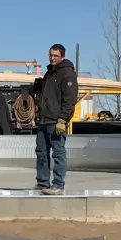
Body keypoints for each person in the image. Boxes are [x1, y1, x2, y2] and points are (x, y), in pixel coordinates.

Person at [31, 43, 79, 194]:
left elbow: (70, 99)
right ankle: (42, 183)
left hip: (56, 121)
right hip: (44, 119)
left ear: (62, 56)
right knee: (41, 152)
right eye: (50, 55)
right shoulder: (49, 73)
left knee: (58, 153)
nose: (52, 58)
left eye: (55, 56)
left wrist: (62, 120)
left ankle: (58, 185)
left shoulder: (67, 73)